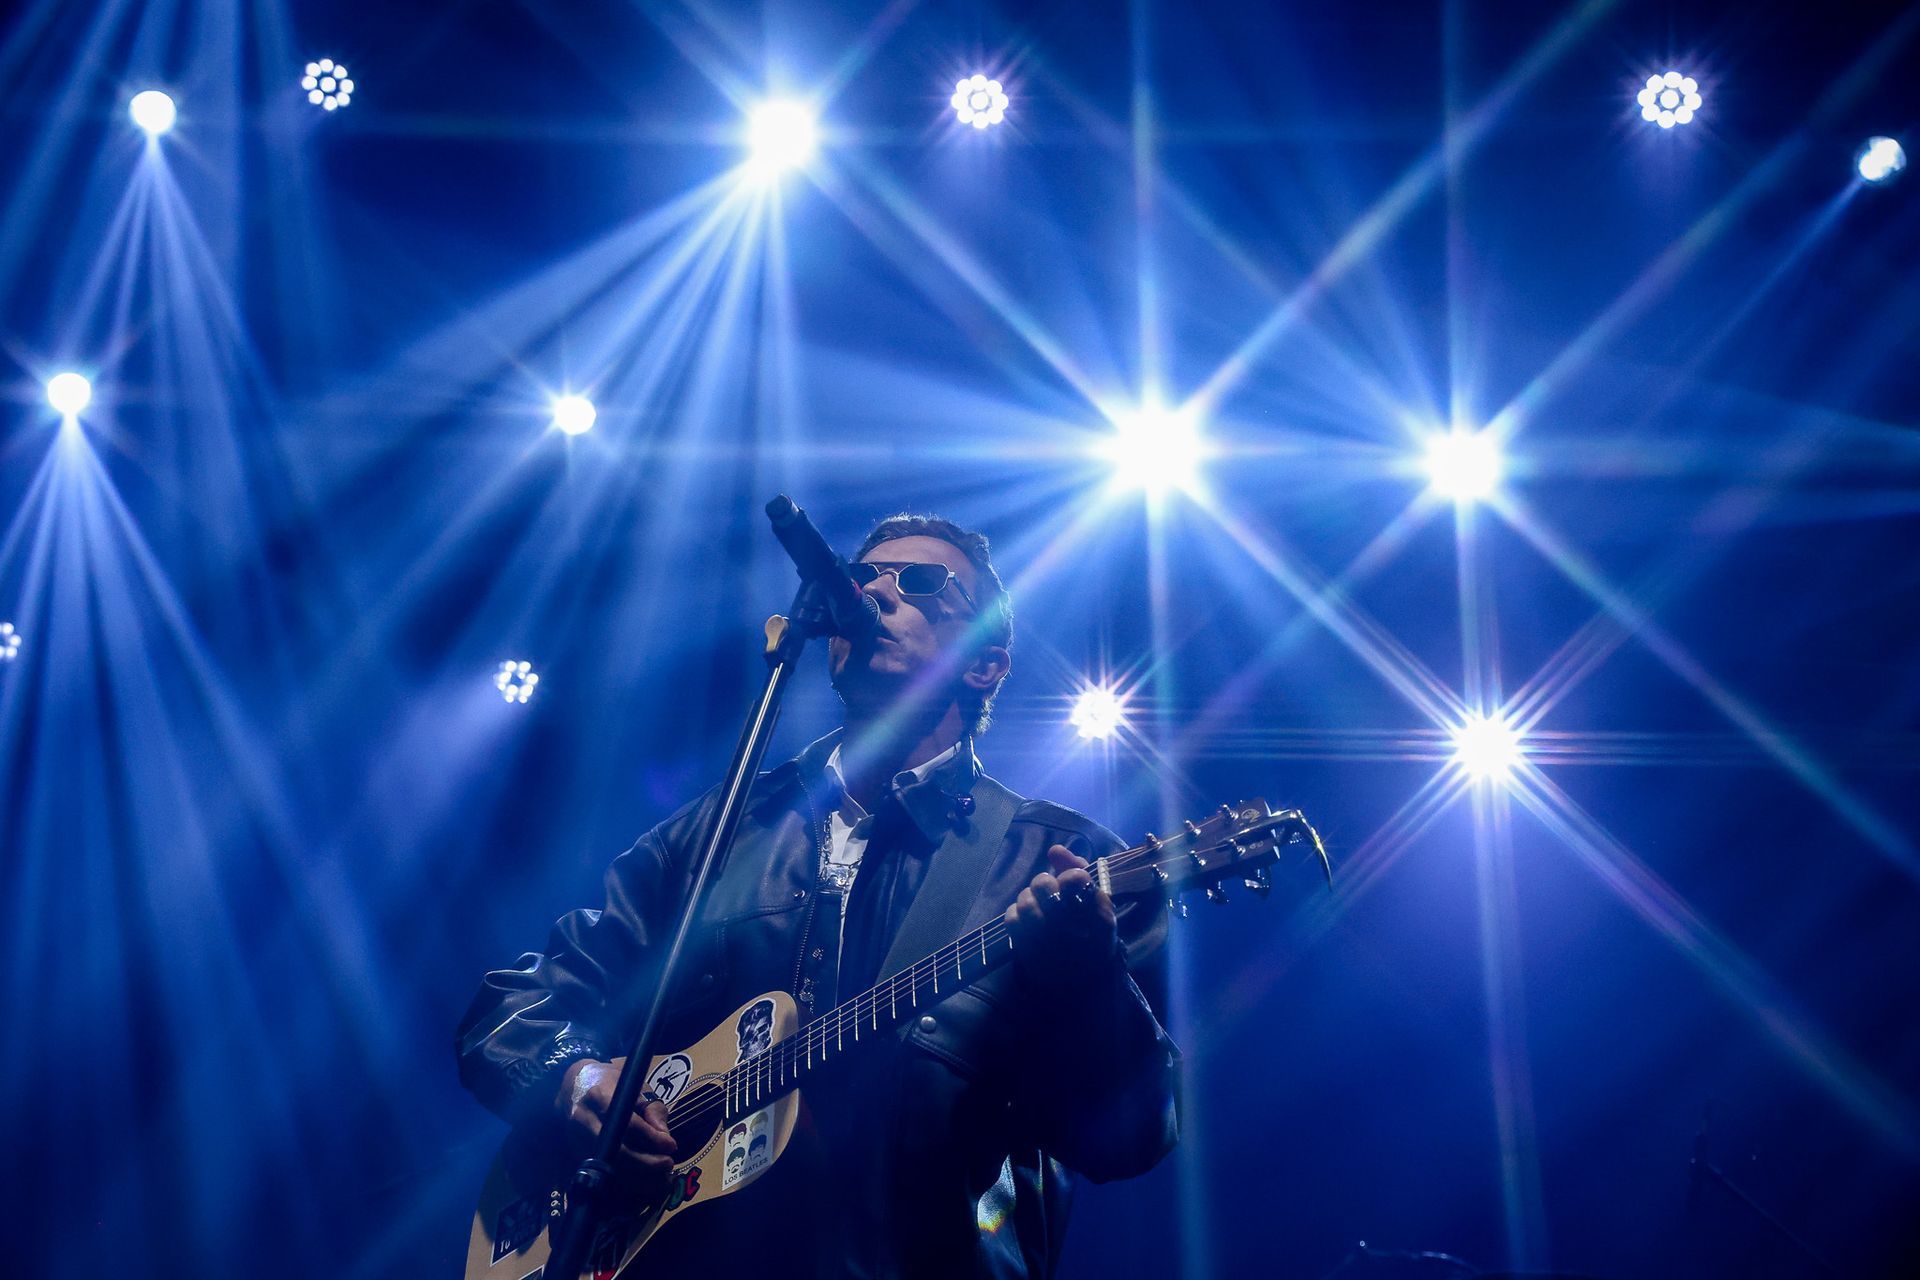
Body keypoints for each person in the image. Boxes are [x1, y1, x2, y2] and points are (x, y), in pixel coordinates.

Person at [456, 513, 1179, 1278]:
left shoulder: (1052, 860)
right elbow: (516, 1006)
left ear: (985, 666)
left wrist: (1090, 981)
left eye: (924, 583)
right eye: (865, 578)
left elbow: (1132, 1138)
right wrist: (576, 1079)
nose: (875, 593)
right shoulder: (719, 832)